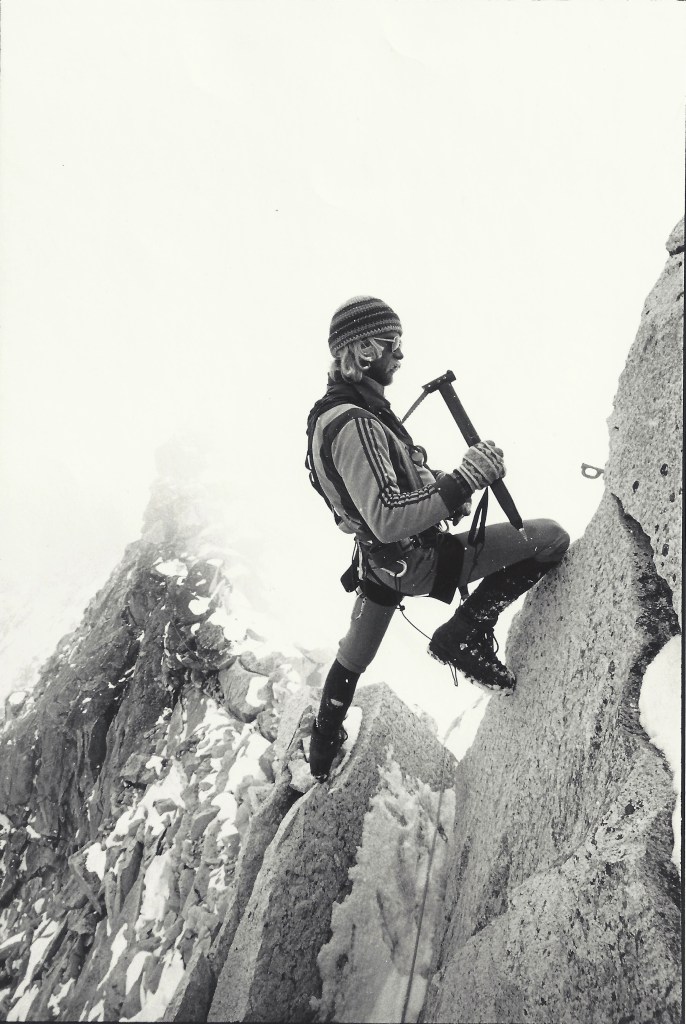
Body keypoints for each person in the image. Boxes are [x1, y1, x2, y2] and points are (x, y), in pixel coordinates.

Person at [305, 296, 569, 781]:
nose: (399, 355)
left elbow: (365, 502)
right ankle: (461, 636)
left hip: (380, 564)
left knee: (353, 655)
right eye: (392, 344)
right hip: (417, 559)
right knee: (551, 538)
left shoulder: (331, 414)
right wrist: (462, 483)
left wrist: (444, 487)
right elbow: (386, 515)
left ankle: (321, 747)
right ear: (363, 350)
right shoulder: (358, 422)